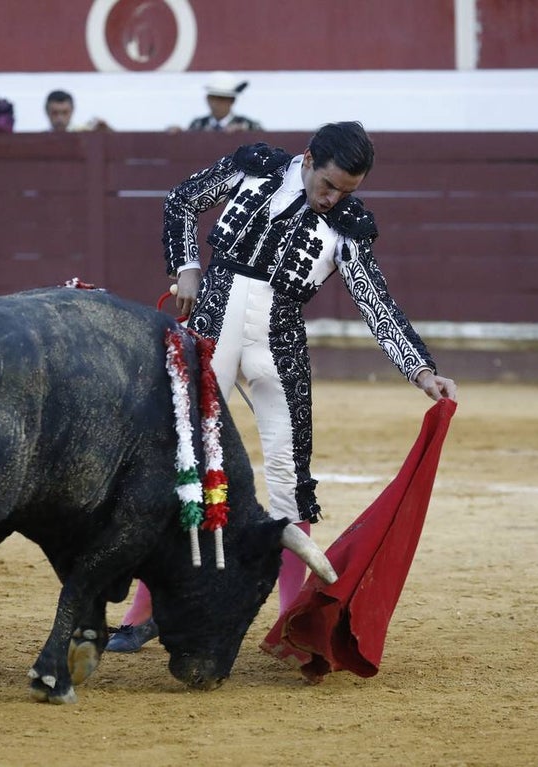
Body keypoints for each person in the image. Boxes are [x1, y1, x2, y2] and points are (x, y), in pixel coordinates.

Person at [108, 121, 457, 653]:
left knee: (290, 480)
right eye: (329, 185)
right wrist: (186, 267)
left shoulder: (348, 225)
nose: (334, 198)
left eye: (347, 191)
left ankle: (291, 623)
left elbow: (375, 301)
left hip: (281, 343)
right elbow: (181, 200)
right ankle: (143, 612)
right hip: (212, 322)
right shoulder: (256, 167)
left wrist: (420, 369)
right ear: (310, 157)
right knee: (181, 462)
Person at [179, 71, 262, 133]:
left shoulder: (249, 125)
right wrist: (177, 135)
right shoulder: (198, 125)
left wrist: (245, 134)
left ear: (232, 100)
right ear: (207, 99)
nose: (216, 103)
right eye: (213, 98)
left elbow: (265, 147)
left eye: (222, 98)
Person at [44, 90, 111, 132]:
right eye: (55, 113)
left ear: (72, 111)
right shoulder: (39, 140)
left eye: (65, 112)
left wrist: (107, 131)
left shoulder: (85, 136)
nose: (60, 118)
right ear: (47, 112)